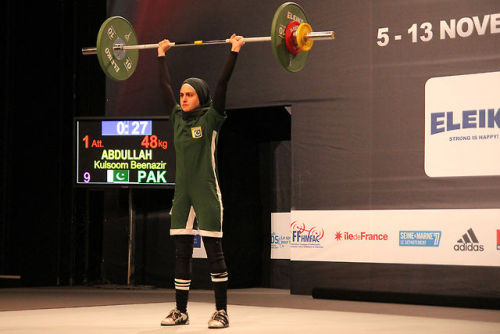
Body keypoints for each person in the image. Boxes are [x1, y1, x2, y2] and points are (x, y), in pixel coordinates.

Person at [157, 34, 245, 329]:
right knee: (182, 254)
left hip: (207, 192)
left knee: (213, 254)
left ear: (201, 97)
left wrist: (233, 51)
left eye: (189, 95)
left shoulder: (211, 120)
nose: (183, 98)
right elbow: (164, 87)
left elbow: (222, 85)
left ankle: (222, 311)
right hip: (182, 195)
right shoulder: (176, 119)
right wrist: (160, 55)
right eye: (182, 95)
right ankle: (180, 311)